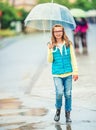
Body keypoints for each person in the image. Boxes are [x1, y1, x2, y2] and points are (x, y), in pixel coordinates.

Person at [47, 24, 78, 122]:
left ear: (63, 32)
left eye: (60, 31)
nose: (58, 33)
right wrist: (50, 50)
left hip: (68, 73)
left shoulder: (68, 44)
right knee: (59, 92)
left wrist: (75, 72)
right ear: (53, 33)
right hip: (57, 74)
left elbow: (73, 59)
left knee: (68, 94)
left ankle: (67, 114)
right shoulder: (51, 44)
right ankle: (58, 110)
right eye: (56, 31)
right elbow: (50, 60)